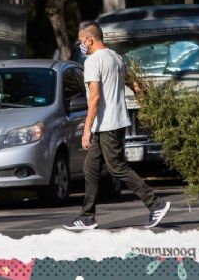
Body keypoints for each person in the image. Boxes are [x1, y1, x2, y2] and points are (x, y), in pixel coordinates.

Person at [64, 21, 171, 230]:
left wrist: (86, 129)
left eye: (80, 42)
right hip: (114, 122)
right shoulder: (116, 57)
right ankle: (87, 216)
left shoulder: (93, 61)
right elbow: (134, 83)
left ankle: (156, 203)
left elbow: (94, 98)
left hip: (107, 124)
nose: (81, 46)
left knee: (117, 167)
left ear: (89, 39)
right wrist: (146, 101)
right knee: (91, 167)